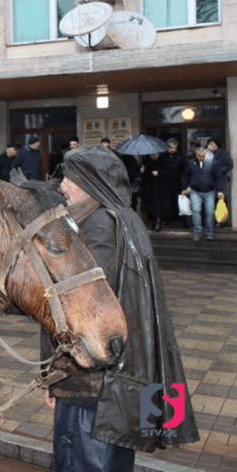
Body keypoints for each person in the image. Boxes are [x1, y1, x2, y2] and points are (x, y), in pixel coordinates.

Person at [44, 145, 198, 471]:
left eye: (69, 178)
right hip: (109, 382)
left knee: (83, 462)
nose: (62, 186)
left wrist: (55, 379)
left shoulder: (97, 227)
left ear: (89, 181)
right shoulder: (117, 218)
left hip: (93, 385)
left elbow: (82, 311)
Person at [181, 147, 227, 240]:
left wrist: (220, 190)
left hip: (209, 190)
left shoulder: (213, 163)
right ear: (196, 155)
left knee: (209, 212)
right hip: (195, 190)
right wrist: (184, 188)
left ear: (206, 154)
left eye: (203, 156)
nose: (201, 157)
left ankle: (210, 232)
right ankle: (197, 231)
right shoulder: (191, 163)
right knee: (196, 211)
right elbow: (186, 176)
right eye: (199, 156)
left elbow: (219, 178)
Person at [140, 151, 179, 232]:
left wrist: (159, 173)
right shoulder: (146, 160)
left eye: (155, 155)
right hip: (150, 187)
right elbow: (145, 174)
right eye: (152, 155)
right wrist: (143, 171)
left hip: (161, 187)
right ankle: (153, 224)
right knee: (151, 206)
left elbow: (169, 172)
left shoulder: (165, 160)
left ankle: (158, 224)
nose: (153, 157)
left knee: (158, 207)